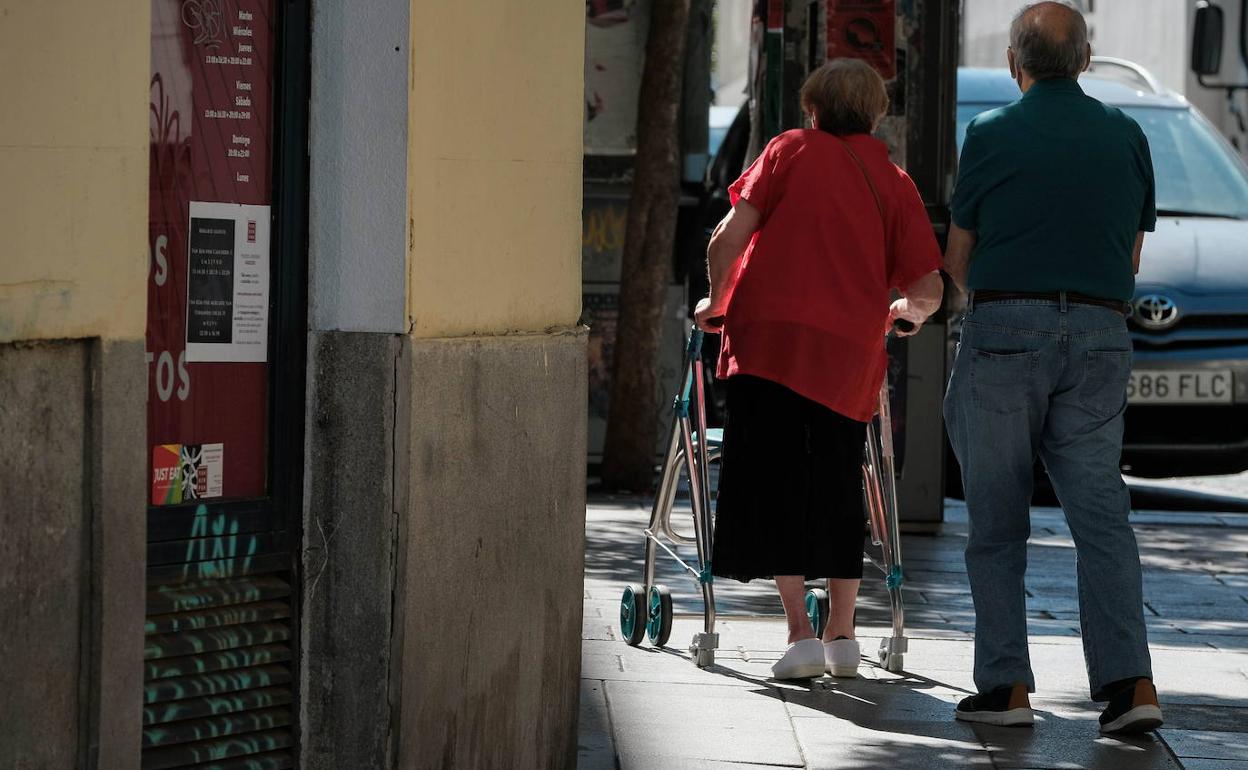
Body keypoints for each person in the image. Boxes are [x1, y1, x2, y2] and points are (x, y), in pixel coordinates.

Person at [943, 1, 1163, 734]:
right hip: (1102, 331)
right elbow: (1130, 255)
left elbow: (959, 257)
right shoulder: (1127, 134)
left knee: (997, 522)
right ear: (1088, 61)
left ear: (1016, 63)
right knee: (1102, 516)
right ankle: (1131, 687)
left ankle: (1005, 688)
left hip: (1006, 326)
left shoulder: (991, 132)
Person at [694, 58, 944, 681]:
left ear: (813, 107)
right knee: (837, 480)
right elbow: (929, 286)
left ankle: (798, 634)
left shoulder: (786, 151)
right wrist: (903, 314)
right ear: (874, 113)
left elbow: (725, 241)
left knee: (777, 477)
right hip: (846, 354)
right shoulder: (893, 180)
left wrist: (714, 305)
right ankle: (843, 635)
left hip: (768, 345)